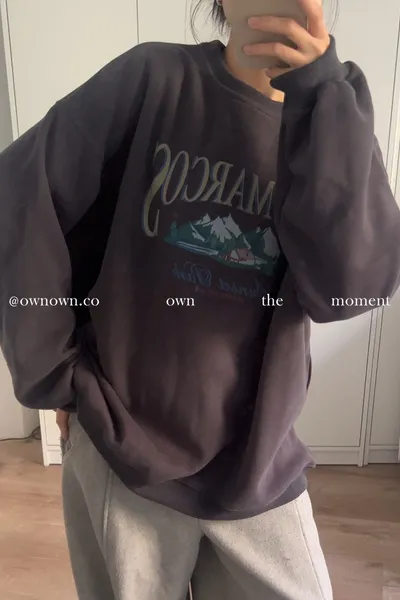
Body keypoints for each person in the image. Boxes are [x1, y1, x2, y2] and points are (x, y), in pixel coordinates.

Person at [1, 0, 400, 598]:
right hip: (122, 443)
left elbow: (348, 290)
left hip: (259, 462)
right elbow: (22, 196)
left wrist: (320, 93)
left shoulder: (336, 110)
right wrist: (52, 374)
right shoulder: (153, 78)